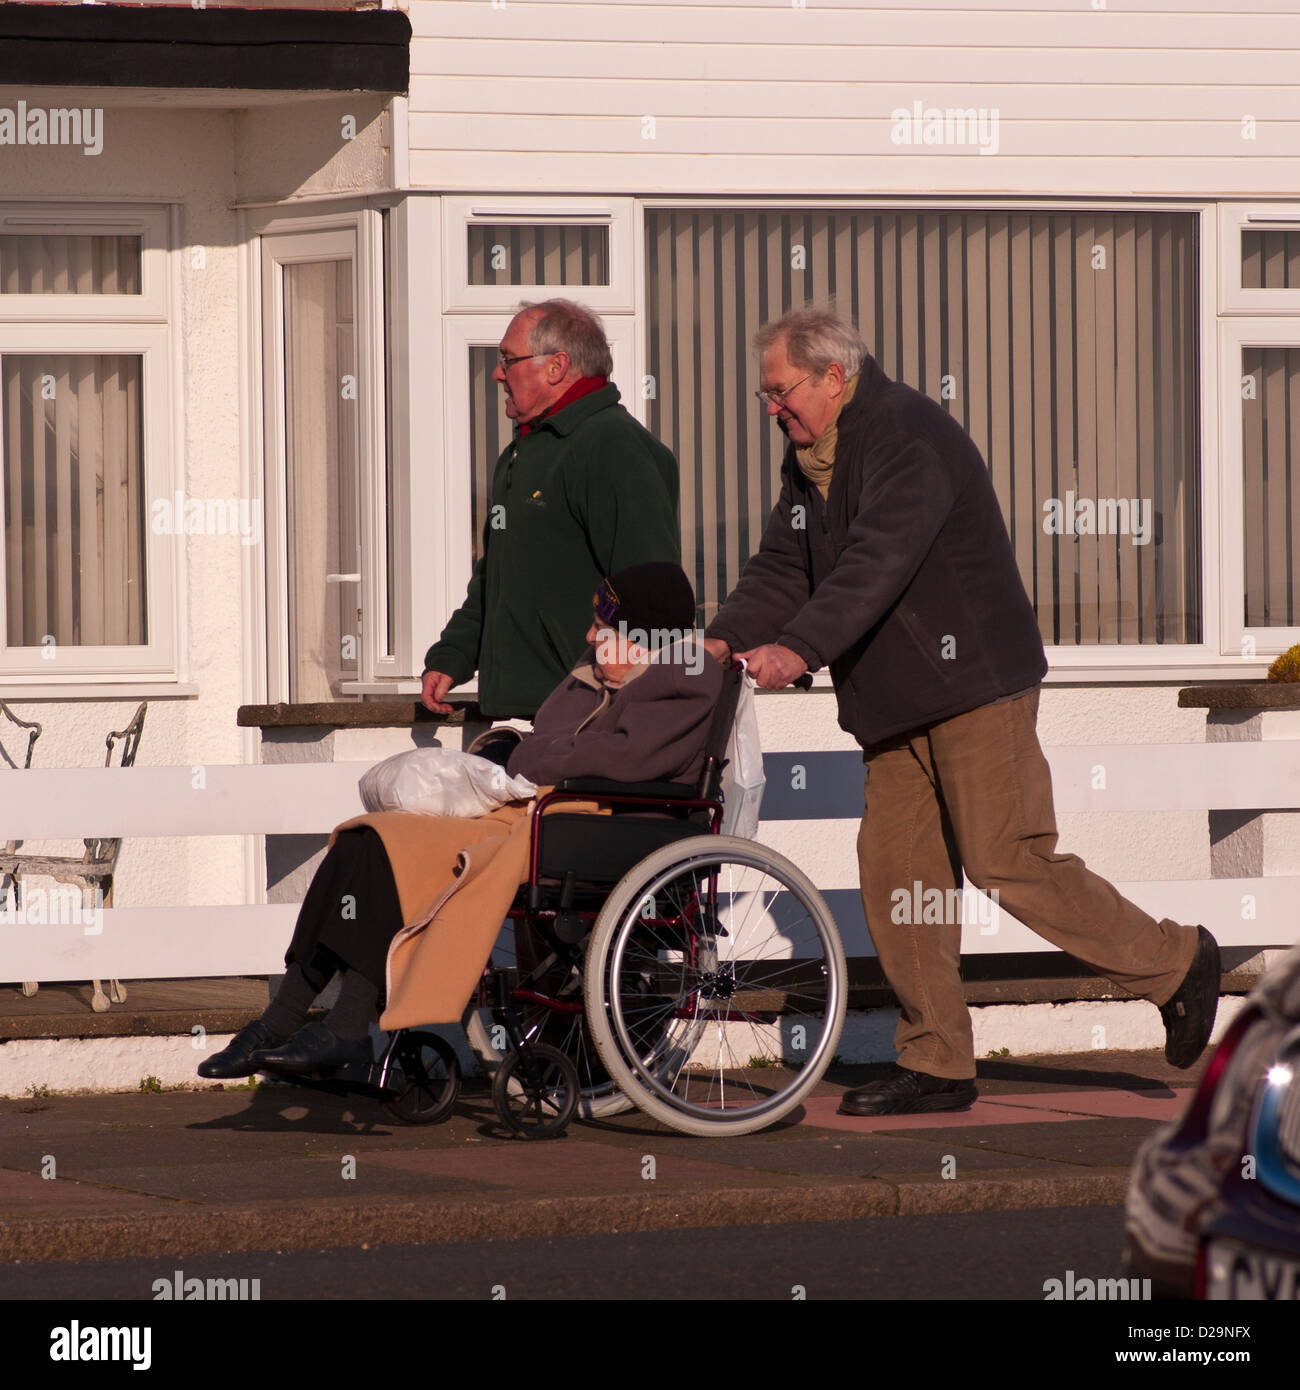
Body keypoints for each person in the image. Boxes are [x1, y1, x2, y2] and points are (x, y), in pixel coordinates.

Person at [701, 305, 1221, 1118]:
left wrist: (799, 649)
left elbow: (879, 560)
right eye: (765, 395)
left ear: (834, 377)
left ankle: (1175, 962)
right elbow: (783, 565)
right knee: (900, 875)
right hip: (892, 703)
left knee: (1007, 857)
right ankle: (938, 1060)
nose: (771, 407)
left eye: (780, 390)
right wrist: (723, 641)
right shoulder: (809, 458)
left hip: (973, 684)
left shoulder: (907, 435)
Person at [200, 562, 718, 1080]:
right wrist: (540, 756)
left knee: (411, 857)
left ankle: (344, 1025)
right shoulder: (594, 671)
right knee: (372, 837)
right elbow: (547, 745)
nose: (589, 636)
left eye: (602, 628)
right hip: (532, 813)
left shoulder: (686, 676)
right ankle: (288, 1019)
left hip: (599, 824)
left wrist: (539, 758)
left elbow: (622, 761)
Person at [422, 298, 682, 721]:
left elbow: (650, 588)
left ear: (557, 367)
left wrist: (614, 693)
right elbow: (497, 574)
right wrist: (453, 654)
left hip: (585, 715)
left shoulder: (613, 446)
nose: (497, 373)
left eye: (507, 359)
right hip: (523, 712)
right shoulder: (522, 453)